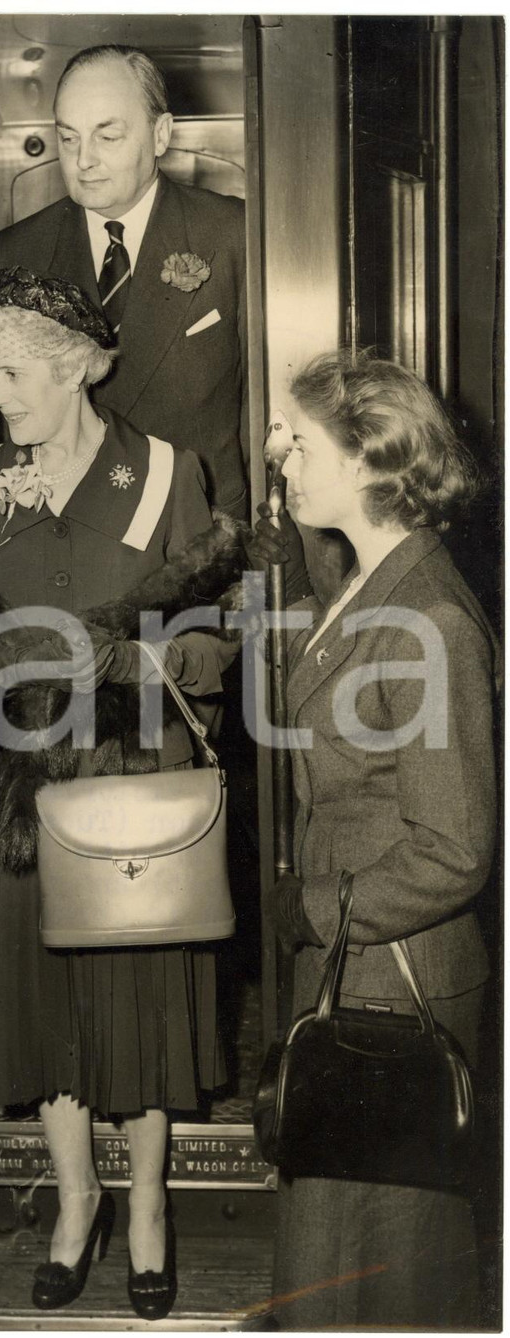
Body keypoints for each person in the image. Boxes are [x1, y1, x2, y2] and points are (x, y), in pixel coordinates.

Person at [0, 268, 276, 1319]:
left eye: (13, 372)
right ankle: (76, 1208)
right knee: (46, 1011)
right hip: (20, 784)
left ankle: (148, 1209)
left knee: (141, 1009)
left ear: (73, 370)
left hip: (130, 774)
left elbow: (209, 644)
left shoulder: (168, 473)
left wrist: (144, 662)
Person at [268, 351, 497, 1328]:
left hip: (393, 981)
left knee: (380, 1275)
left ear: (369, 459)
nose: (278, 454)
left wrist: (313, 910)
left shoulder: (429, 617)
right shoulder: (365, 582)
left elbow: (452, 849)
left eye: (301, 441)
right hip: (350, 968)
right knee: (341, 1264)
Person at [0, 44, 248, 519]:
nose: (84, 160)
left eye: (107, 137)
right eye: (68, 139)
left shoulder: (230, 233)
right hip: (77, 531)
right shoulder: (16, 253)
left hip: (202, 534)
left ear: (161, 134)